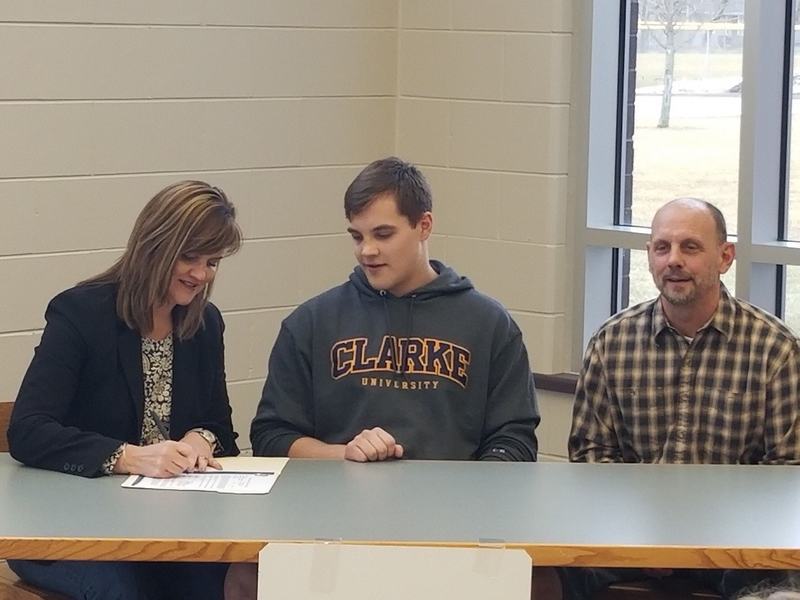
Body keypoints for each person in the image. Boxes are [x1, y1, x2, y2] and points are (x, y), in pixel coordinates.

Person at [224, 156, 540, 599]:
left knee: (541, 581)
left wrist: (464, 502)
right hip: (332, 525)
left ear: (424, 226)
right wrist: (344, 455)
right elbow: (272, 437)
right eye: (357, 236)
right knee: (245, 578)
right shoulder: (311, 322)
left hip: (454, 526)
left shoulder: (489, 324)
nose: (366, 251)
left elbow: (515, 441)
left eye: (383, 234)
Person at [8, 181, 242, 600]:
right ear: (156, 246)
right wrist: (127, 456)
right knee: (125, 590)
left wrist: (200, 439)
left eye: (212, 262)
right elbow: (28, 430)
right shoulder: (81, 312)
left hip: (164, 527)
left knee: (222, 579)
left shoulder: (205, 324)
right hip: (69, 529)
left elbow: (220, 427)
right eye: (189, 257)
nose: (201, 275)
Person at [561, 198, 800, 599]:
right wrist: (644, 538)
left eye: (690, 247)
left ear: (725, 257)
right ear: (649, 257)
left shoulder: (774, 349)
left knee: (780, 588)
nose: (673, 260)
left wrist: (705, 541)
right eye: (662, 247)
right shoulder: (611, 342)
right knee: (538, 573)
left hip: (737, 545)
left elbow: (787, 473)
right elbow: (590, 458)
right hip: (629, 535)